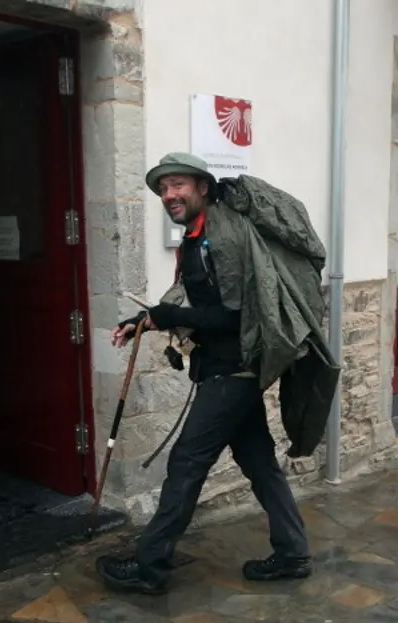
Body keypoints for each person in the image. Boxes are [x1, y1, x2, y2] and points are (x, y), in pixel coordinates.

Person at [95, 152, 313, 595]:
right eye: (162, 188)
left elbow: (236, 316)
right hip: (231, 372)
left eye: (178, 185)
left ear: (202, 187)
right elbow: (192, 302)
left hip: (231, 374)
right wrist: (146, 320)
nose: (169, 195)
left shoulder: (222, 237)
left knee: (187, 462)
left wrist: (168, 313)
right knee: (259, 464)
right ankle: (292, 553)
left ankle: (149, 566)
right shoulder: (197, 237)